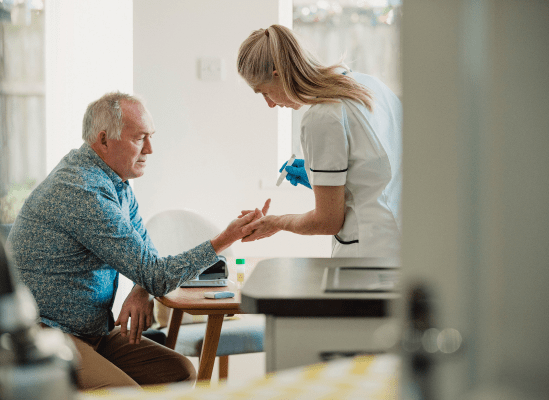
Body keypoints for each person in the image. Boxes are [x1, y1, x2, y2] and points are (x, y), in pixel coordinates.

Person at [6, 92, 261, 390]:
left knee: (179, 373)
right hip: (49, 333)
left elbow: (147, 260)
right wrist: (225, 239)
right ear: (103, 140)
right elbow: (156, 273)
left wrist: (142, 288)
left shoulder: (118, 184)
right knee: (129, 395)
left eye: (150, 137)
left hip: (94, 331)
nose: (150, 149)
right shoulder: (84, 191)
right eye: (140, 138)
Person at [236, 24, 402, 258]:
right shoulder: (370, 86)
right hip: (403, 243)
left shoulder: (322, 116)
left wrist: (276, 222)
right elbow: (378, 170)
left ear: (278, 75)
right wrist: (322, 178)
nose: (270, 104)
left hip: (368, 256)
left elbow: (327, 222)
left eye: (264, 92)